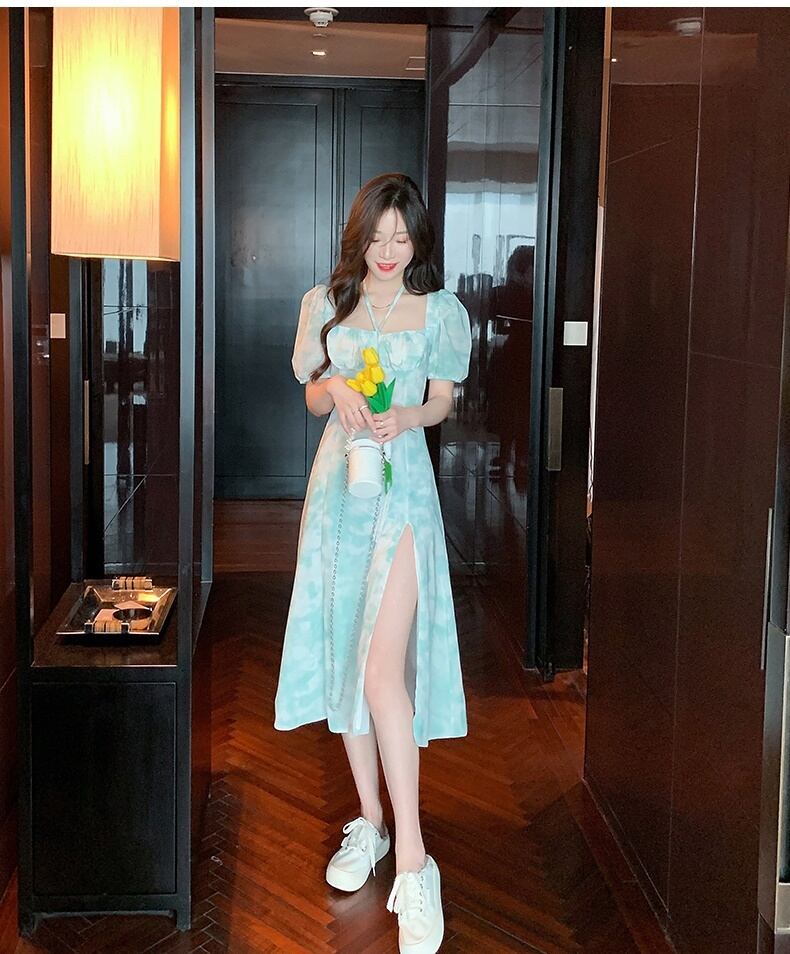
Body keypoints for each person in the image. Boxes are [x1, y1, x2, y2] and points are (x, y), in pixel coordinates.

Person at [274, 172, 472, 954]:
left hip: (405, 494)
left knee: (384, 669)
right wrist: (335, 388)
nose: (389, 252)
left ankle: (416, 864)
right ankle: (372, 822)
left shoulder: (440, 310)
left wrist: (407, 413)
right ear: (359, 237)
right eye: (378, 237)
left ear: (417, 240)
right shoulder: (326, 304)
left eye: (402, 237)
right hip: (338, 494)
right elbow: (311, 396)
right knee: (348, 665)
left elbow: (443, 401)